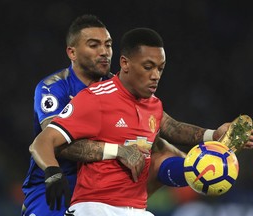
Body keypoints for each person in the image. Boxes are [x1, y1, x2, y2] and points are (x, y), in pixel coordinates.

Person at [29, 27, 253, 216]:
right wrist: (53, 173)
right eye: (148, 67)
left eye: (160, 68)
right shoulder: (95, 97)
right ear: (125, 63)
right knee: (161, 152)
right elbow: (42, 142)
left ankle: (201, 167)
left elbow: (172, 128)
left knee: (164, 153)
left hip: (137, 209)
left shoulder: (153, 104)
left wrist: (213, 135)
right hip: (96, 207)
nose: (155, 75)